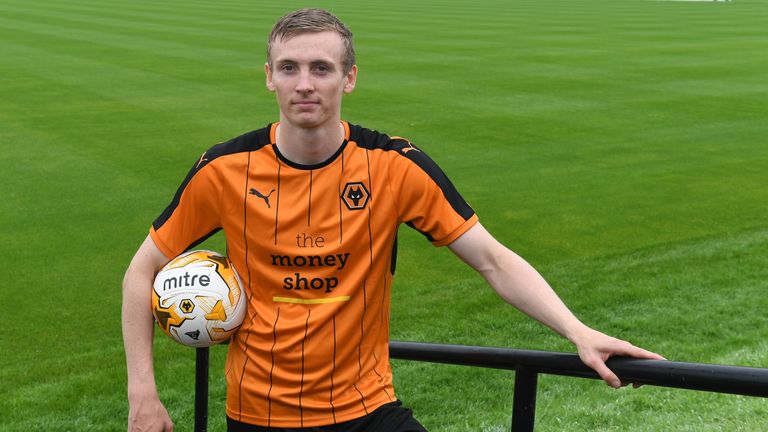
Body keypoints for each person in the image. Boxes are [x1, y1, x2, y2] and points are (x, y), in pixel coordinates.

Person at [122, 8, 663, 432]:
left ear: (349, 78)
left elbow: (493, 260)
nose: (304, 83)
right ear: (269, 77)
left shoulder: (393, 167)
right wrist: (142, 393)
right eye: (289, 68)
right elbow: (141, 270)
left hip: (368, 409)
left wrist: (578, 331)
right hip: (259, 416)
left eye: (321, 68)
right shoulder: (224, 170)